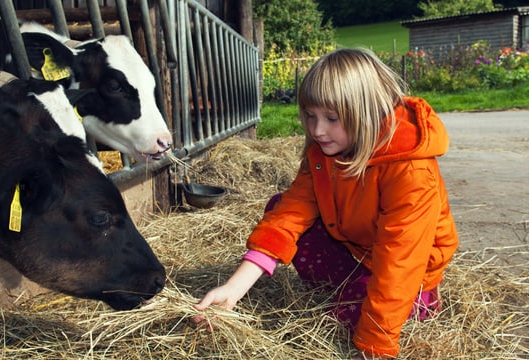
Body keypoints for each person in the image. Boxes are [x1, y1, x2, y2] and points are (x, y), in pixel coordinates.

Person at [193, 48, 459, 358]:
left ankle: (421, 301)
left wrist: (375, 347)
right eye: (310, 116)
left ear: (367, 112)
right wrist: (233, 289)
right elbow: (289, 215)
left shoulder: (410, 170)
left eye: (332, 118)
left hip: (406, 271)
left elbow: (400, 262)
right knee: (278, 206)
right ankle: (348, 289)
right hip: (360, 249)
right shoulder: (324, 154)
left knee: (350, 318)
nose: (317, 130)